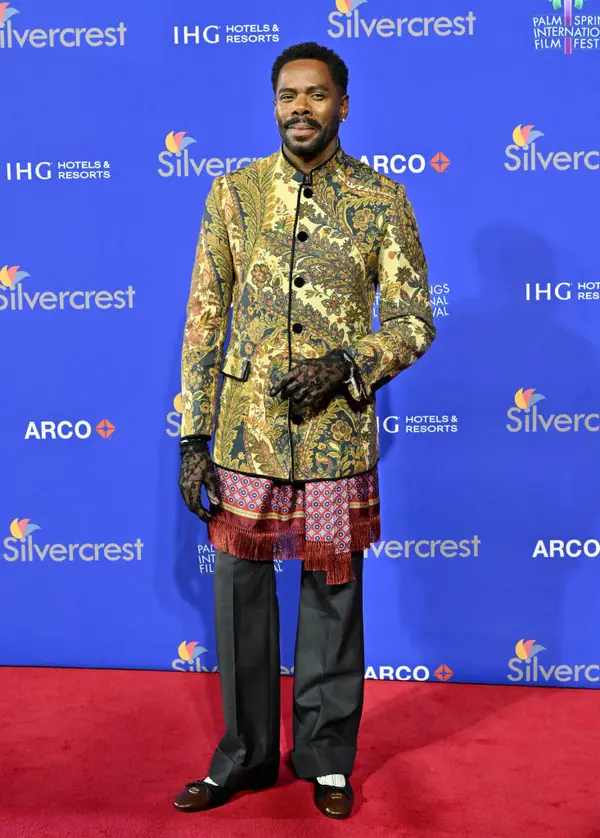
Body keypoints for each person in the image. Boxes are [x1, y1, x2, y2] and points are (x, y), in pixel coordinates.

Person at [174, 41, 435, 820]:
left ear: (343, 105)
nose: (300, 108)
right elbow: (202, 323)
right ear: (273, 102)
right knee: (240, 599)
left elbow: (416, 320)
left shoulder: (381, 201)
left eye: (316, 95)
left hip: (332, 446)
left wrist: (350, 362)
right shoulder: (233, 195)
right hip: (243, 439)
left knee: (331, 597)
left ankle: (326, 759)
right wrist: (192, 440)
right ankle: (245, 758)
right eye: (288, 95)